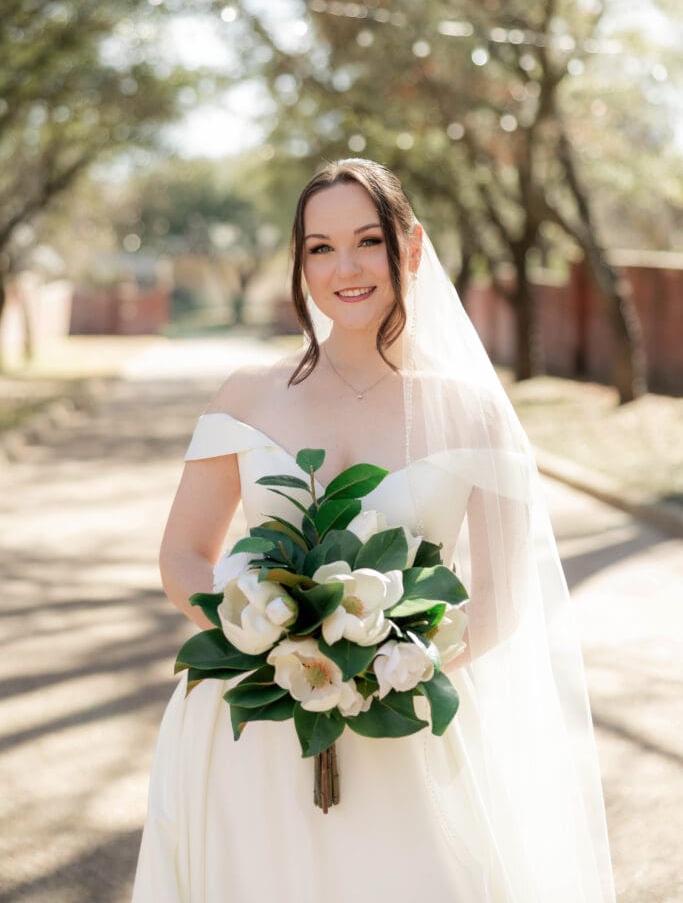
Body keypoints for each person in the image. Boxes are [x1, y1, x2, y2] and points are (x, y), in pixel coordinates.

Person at [131, 158, 616, 902]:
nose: (344, 267)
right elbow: (183, 556)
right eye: (320, 247)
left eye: (367, 240)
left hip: (409, 730)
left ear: (410, 248)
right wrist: (266, 639)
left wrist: (381, 671)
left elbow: (498, 604)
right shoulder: (247, 396)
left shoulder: (472, 412)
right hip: (250, 727)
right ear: (299, 260)